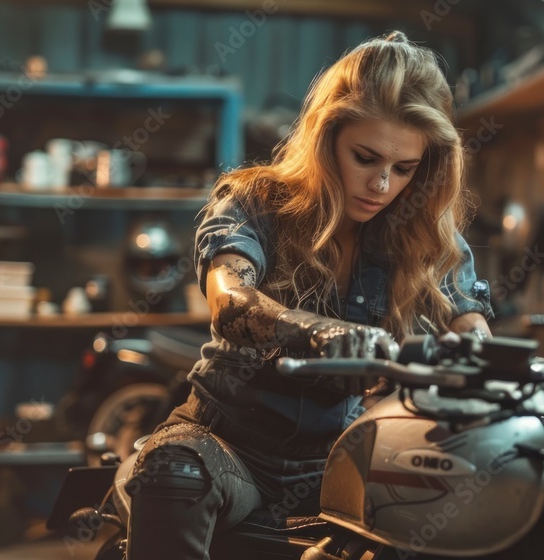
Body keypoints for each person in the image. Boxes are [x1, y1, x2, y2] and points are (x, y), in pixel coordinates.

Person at [125, 30, 494, 559]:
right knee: (175, 472)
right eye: (365, 158)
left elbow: (471, 328)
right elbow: (230, 300)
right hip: (226, 443)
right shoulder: (255, 200)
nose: (383, 185)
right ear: (326, 139)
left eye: (404, 168)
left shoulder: (426, 235)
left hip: (341, 460)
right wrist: (317, 330)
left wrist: (481, 355)